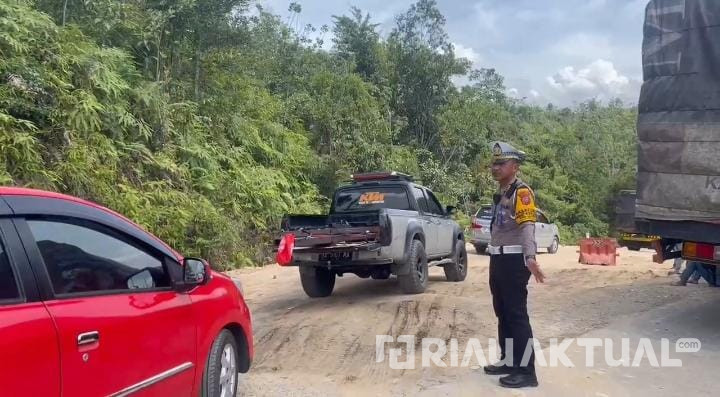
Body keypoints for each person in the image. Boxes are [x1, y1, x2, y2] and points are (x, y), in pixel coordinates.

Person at [483, 141, 544, 389]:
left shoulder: (522, 193)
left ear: (515, 166)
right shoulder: (502, 193)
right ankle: (509, 361)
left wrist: (530, 258)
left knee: (517, 315)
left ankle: (527, 371)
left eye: (501, 163)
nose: (495, 167)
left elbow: (527, 226)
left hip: (513, 260)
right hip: (498, 258)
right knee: (503, 312)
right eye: (493, 163)